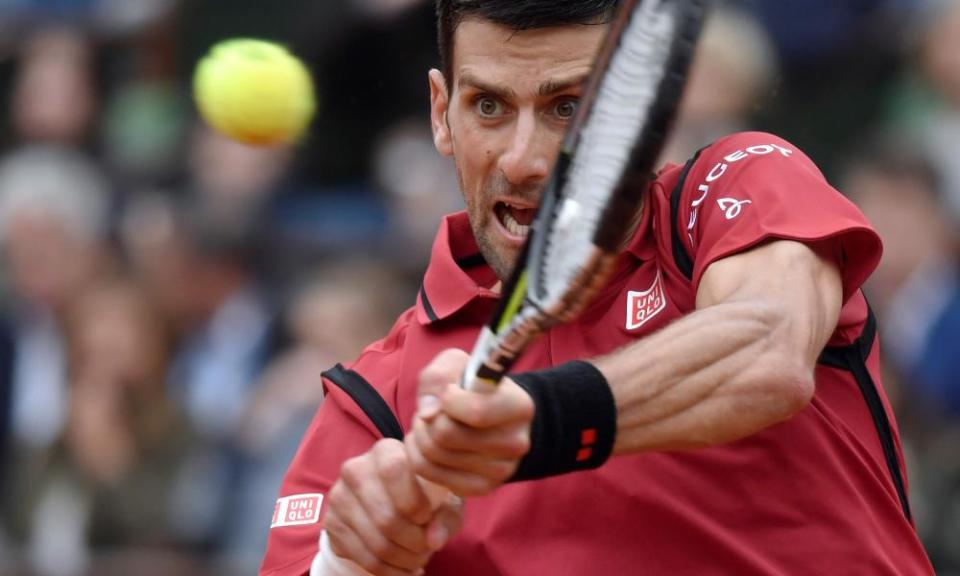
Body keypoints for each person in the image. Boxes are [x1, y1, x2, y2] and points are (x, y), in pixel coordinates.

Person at [261, 1, 935, 575]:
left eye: (567, 107)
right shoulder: (375, 404)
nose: (522, 159)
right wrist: (351, 560)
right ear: (442, 114)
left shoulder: (733, 186)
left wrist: (541, 420)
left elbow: (769, 345)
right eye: (488, 105)